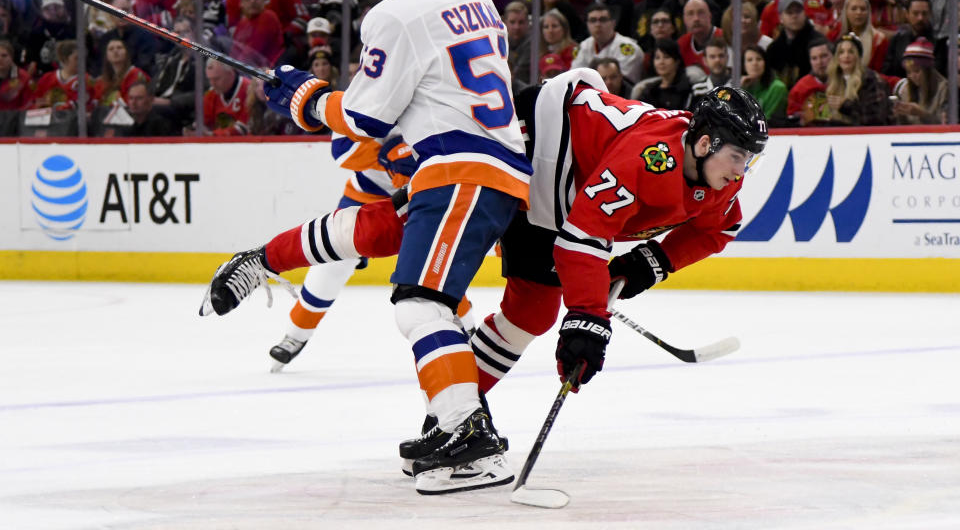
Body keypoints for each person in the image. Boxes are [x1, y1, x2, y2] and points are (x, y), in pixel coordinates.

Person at [204, 73, 768, 483]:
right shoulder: (651, 158)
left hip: (561, 189)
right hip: (531, 144)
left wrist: (645, 266)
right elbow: (581, 237)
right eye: (738, 155)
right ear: (703, 142)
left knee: (531, 311)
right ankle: (264, 259)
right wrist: (591, 318)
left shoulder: (720, 180)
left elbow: (717, 229)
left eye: (749, 159)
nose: (743, 170)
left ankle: (451, 419)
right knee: (399, 227)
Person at [200, 0, 528, 496]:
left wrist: (305, 97)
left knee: (421, 306)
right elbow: (369, 197)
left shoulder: (395, 15)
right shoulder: (483, 4)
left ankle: (470, 437)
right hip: (489, 168)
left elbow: (363, 117)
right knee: (369, 235)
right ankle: (264, 261)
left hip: (460, 170)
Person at [823, 33, 892, 126]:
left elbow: (876, 118)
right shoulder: (832, 81)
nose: (846, 56)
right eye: (841, 52)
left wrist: (846, 106)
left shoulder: (871, 80)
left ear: (858, 57)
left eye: (851, 52)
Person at [571, 2, 643, 83]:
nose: (598, 24)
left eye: (603, 20)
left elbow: (621, 82)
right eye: (593, 20)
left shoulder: (627, 48)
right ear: (587, 24)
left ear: (613, 23)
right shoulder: (583, 46)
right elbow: (574, 77)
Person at [767, 0, 824, 90]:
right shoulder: (774, 49)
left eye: (798, 11)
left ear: (804, 14)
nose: (794, 16)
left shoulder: (818, 43)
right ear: (780, 17)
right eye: (789, 12)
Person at [891, 37, 948, 125]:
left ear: (927, 70)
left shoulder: (944, 89)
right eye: (909, 72)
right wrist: (899, 115)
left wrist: (922, 114)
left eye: (917, 71)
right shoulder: (905, 90)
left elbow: (946, 125)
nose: (912, 76)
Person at [882, 0, 935, 79]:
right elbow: (887, 73)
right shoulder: (896, 40)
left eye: (924, 13)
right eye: (915, 13)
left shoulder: (939, 44)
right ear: (907, 14)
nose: (920, 18)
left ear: (930, 14)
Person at [636, 37, 693, 110]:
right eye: (657, 58)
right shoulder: (649, 90)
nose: (661, 62)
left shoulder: (686, 89)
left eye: (666, 57)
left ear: (677, 61)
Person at [93, 39, 150, 109]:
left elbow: (133, 104)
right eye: (111, 49)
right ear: (107, 56)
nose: (115, 51)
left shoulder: (136, 74)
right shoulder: (101, 81)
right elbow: (95, 104)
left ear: (126, 53)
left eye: (119, 48)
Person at [787, 37, 832, 125]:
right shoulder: (800, 88)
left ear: (834, 56)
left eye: (823, 56)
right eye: (814, 58)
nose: (819, 62)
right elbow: (791, 119)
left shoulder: (845, 82)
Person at [740, 45, 788, 126]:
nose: (754, 63)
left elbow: (767, 122)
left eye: (759, 59)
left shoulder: (777, 88)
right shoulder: (742, 87)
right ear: (744, 66)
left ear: (765, 63)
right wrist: (741, 90)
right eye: (749, 60)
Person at [678, 0, 722, 72]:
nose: (696, 19)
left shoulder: (725, 38)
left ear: (710, 16)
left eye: (701, 12)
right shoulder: (681, 44)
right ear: (684, 20)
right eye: (690, 14)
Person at [539, 8, 577, 72]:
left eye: (554, 26)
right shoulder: (539, 52)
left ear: (564, 29)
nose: (550, 30)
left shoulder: (573, 51)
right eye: (546, 27)